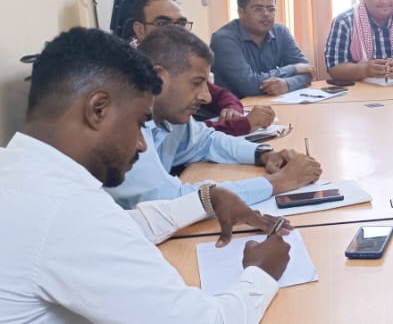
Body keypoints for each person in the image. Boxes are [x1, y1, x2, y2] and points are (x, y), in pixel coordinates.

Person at [0, 27, 293, 322]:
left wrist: (205, 200)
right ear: (98, 110)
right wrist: (262, 273)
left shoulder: (4, 168)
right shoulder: (68, 211)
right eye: (139, 123)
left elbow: (124, 224)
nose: (143, 144)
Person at [105, 26, 323, 209]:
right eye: (196, 83)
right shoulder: (121, 127)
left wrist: (263, 154)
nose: (206, 97)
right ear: (158, 77)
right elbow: (171, 202)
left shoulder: (169, 114)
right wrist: (276, 183)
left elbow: (207, 140)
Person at [130, 0, 275, 136]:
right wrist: (242, 124)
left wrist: (232, 110)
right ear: (139, 30)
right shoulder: (132, 77)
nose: (175, 31)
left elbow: (220, 96)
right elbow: (184, 136)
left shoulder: (182, 60)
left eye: (181, 24)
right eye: (163, 23)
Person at [211, 0, 315, 97]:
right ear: (241, 12)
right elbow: (249, 86)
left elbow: (307, 71)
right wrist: (293, 69)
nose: (266, 14)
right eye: (258, 9)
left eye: (271, 9)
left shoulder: (281, 32)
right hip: (235, 106)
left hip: (273, 103)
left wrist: (287, 84)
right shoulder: (224, 40)